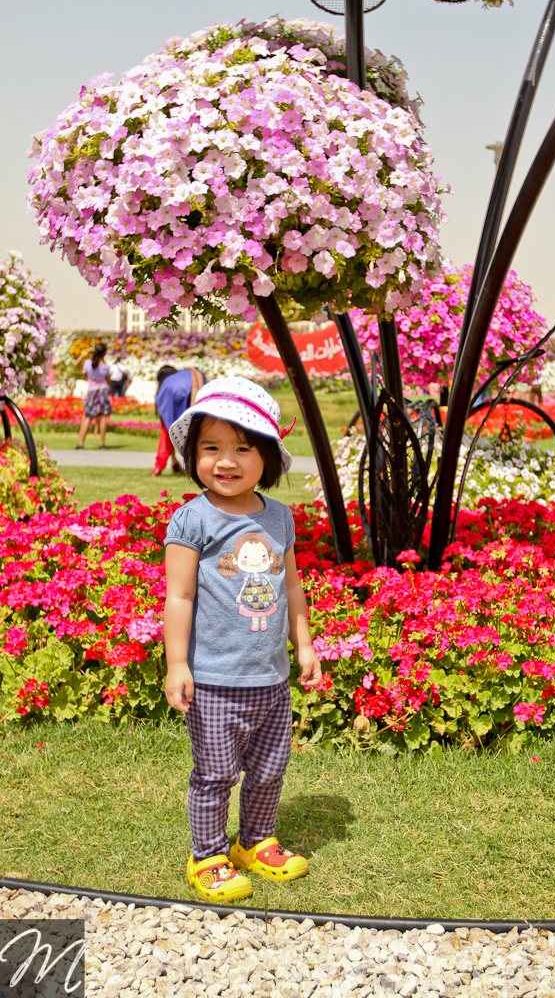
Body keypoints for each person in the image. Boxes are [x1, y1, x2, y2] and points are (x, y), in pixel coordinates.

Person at [163, 376, 320, 902]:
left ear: (268, 458)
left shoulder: (279, 518)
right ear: (193, 454)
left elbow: (292, 585)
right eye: (211, 448)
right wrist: (177, 664)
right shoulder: (192, 519)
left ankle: (254, 842)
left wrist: (304, 644)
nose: (225, 461)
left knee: (270, 770)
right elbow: (179, 598)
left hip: (270, 679)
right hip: (213, 678)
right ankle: (207, 854)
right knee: (214, 775)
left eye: (242, 448)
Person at [151, 365, 207, 476]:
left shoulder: (166, 383)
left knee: (167, 431)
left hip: (172, 393)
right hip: (192, 389)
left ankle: (158, 467)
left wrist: (173, 459)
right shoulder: (188, 374)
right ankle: (197, 466)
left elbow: (169, 429)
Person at [76, 343, 111, 449]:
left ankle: (81, 443)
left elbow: (77, 366)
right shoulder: (105, 366)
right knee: (103, 417)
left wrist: (83, 355)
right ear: (104, 353)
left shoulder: (88, 363)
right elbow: (108, 380)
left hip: (92, 391)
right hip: (103, 391)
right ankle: (102, 443)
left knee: (87, 416)